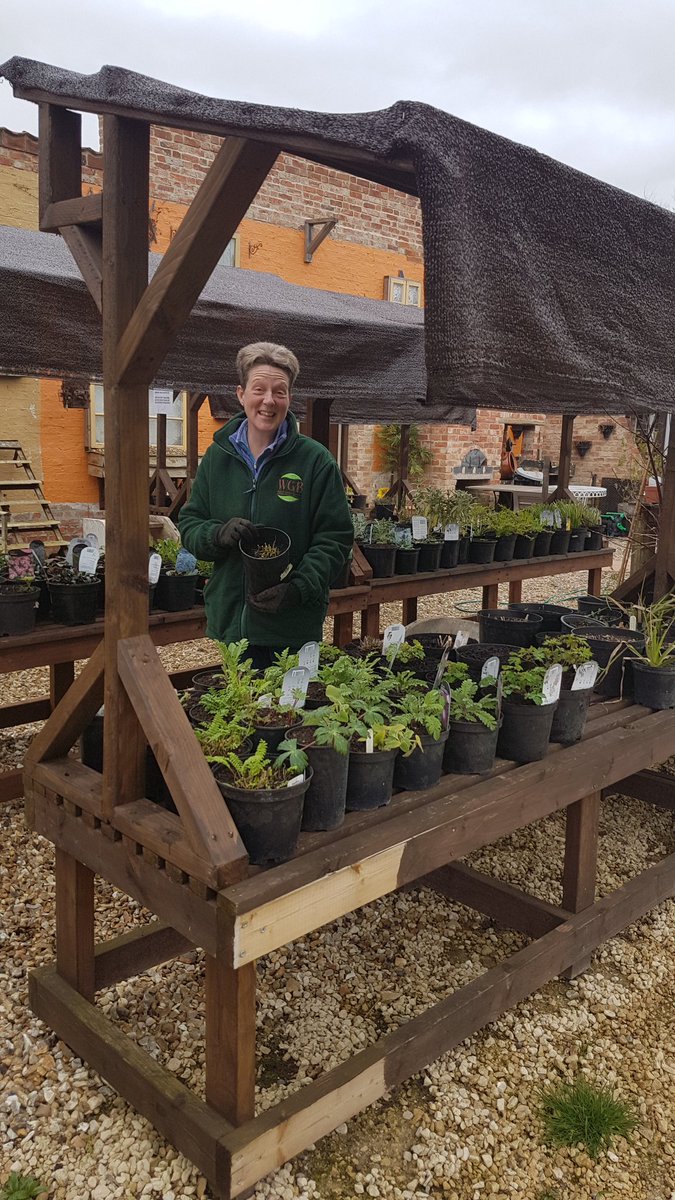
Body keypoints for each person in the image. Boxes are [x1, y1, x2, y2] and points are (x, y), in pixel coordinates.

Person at [179, 341, 353, 665]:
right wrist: (217, 535)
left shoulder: (315, 462)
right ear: (241, 394)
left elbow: (335, 538)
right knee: (237, 712)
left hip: (292, 629)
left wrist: (300, 587)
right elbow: (190, 523)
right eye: (259, 389)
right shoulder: (218, 458)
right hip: (231, 627)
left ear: (289, 398)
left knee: (290, 714)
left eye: (280, 391)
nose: (269, 401)